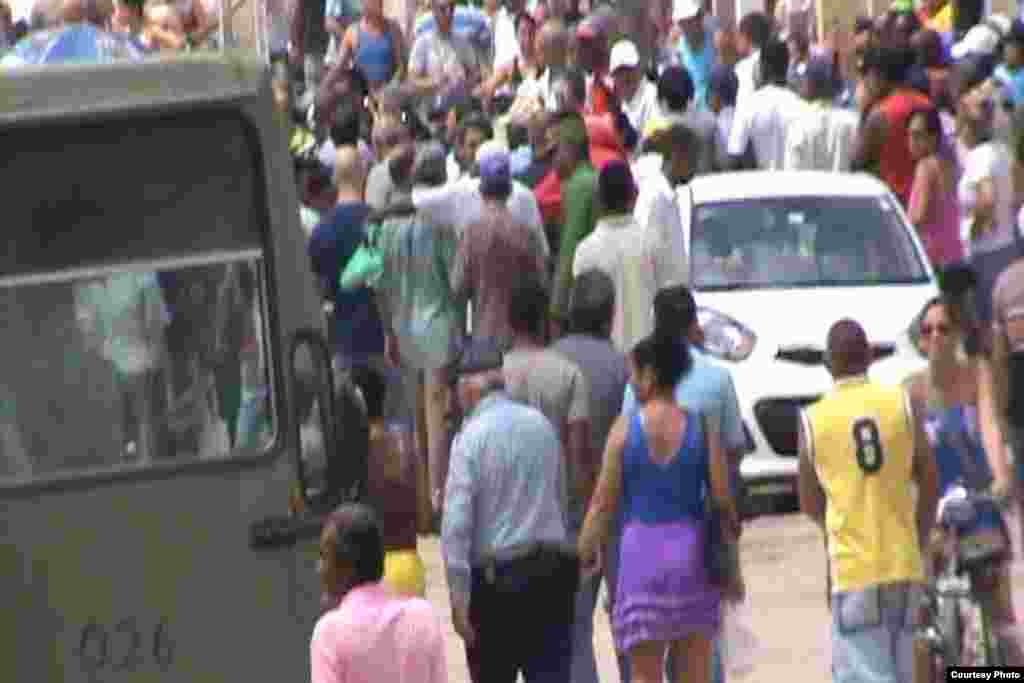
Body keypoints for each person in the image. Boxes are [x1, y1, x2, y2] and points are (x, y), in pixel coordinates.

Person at [578, 327, 736, 683]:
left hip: (640, 564)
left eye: (634, 373)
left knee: (644, 677)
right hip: (692, 560)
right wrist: (732, 565)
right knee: (695, 676)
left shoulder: (623, 431)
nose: (631, 381)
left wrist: (586, 547)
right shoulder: (700, 427)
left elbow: (603, 501)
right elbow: (723, 500)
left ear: (650, 374)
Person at [619, 284, 749, 683]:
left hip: (644, 537)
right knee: (701, 651)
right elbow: (732, 453)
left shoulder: (640, 385)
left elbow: (629, 448)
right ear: (695, 326)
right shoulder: (719, 379)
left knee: (647, 662)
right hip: (702, 532)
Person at [797, 318, 939, 683]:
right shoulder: (901, 404)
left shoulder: (814, 419)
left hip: (853, 569)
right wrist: (918, 537)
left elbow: (809, 502)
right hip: (903, 564)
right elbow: (929, 479)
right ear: (870, 357)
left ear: (828, 363)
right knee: (906, 672)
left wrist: (836, 531)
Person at [442, 338, 579, 683]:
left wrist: (459, 601)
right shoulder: (542, 426)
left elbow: (456, 529)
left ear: (468, 388)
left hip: (496, 590)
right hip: (551, 578)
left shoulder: (469, 440)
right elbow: (559, 501)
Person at [905, 298, 1023, 664]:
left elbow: (989, 428)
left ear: (956, 334)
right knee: (921, 622)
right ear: (920, 341)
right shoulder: (911, 391)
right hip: (933, 508)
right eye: (928, 330)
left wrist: (1002, 477)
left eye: (944, 328)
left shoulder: (977, 374)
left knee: (1002, 615)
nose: (936, 336)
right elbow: (904, 457)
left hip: (979, 498)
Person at [553, 269, 629, 683]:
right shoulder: (622, 368)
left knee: (575, 628)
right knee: (627, 621)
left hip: (564, 514)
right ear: (609, 313)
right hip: (617, 512)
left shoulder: (551, 361)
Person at [311, 503, 447, 683]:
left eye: (324, 556)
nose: (318, 568)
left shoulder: (329, 634)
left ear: (346, 567)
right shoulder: (424, 617)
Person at [452, 145, 549, 349]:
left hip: (483, 336)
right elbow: (542, 283)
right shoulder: (526, 234)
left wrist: (459, 338)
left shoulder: (471, 234)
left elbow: (458, 287)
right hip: (522, 341)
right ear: (510, 189)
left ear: (481, 190)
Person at [347, 364, 424, 597]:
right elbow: (424, 515)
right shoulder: (406, 444)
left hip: (373, 576)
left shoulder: (356, 452)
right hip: (411, 566)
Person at [572, 160, 665, 352]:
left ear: (599, 199)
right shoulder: (653, 242)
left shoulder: (586, 250)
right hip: (651, 360)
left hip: (606, 361)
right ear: (634, 195)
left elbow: (582, 317)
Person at [851, 45, 931, 208]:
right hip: (926, 203)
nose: (865, 83)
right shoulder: (927, 104)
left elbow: (857, 163)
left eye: (867, 77)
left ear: (877, 75)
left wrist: (863, 110)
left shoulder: (880, 114)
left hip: (893, 207)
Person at [551, 110, 598, 336]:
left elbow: (570, 251)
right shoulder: (593, 178)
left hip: (583, 302)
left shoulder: (579, 186)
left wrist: (557, 310)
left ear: (568, 149)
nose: (552, 160)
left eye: (555, 150)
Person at [728, 38, 807, 171]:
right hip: (794, 187)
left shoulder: (748, 106)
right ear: (787, 65)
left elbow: (735, 156)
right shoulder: (801, 106)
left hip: (758, 189)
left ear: (762, 67)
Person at [906, 106, 963, 268]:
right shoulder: (950, 165)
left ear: (934, 138)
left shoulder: (925, 167)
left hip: (931, 257)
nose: (911, 142)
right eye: (909, 135)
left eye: (917, 136)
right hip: (954, 253)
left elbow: (919, 216)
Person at [784, 52, 859, 172]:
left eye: (805, 78)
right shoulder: (854, 123)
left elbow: (792, 174)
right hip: (846, 190)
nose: (801, 83)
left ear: (810, 84)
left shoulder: (798, 124)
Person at [609, 39, 658, 140]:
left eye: (629, 68)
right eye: (619, 71)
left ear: (638, 67)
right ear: (613, 76)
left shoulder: (652, 96)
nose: (625, 76)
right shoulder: (618, 105)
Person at [671, 0, 715, 112]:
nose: (687, 25)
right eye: (682, 22)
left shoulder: (716, 42)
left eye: (691, 19)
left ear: (700, 17)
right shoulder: (677, 50)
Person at [733, 11, 773, 111]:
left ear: (745, 36)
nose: (736, 40)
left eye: (738, 35)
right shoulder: (779, 61)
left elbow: (742, 107)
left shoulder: (743, 68)